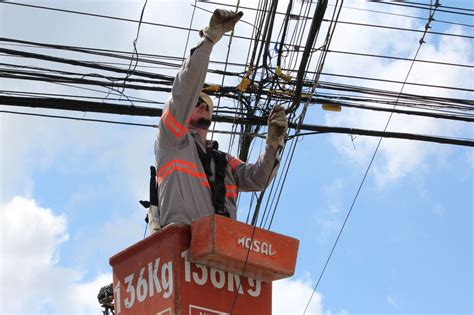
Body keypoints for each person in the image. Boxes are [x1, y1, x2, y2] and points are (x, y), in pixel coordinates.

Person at [148, 9, 288, 233]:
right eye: (197, 102)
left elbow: (257, 180)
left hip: (221, 252)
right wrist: (209, 41)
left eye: (208, 105)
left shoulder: (223, 161)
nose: (203, 105)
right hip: (182, 243)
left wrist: (274, 144)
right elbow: (183, 92)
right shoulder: (173, 141)